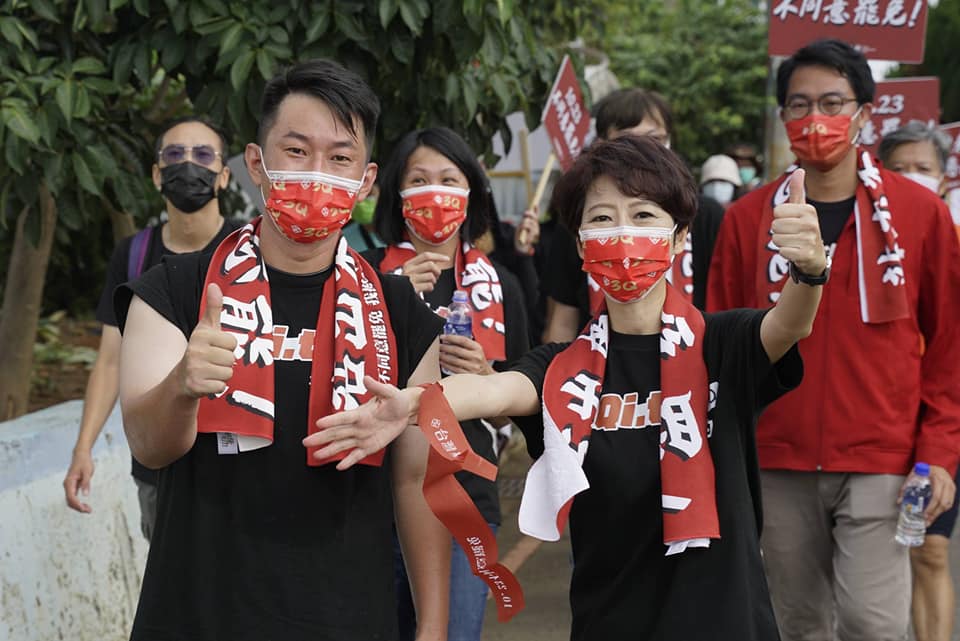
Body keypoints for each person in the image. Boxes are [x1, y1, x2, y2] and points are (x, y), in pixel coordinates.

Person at [307, 134, 827, 640]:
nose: (623, 233)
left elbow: (788, 325)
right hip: (609, 619)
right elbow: (498, 390)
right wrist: (416, 404)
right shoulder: (564, 368)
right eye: (602, 218)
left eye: (643, 215)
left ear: (679, 237)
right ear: (580, 244)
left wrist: (808, 271)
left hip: (725, 622)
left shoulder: (723, 343)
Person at [115, 59, 450, 641]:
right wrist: (182, 386)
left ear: (366, 182)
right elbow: (149, 446)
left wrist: (434, 626)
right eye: (296, 151)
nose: (317, 174)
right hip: (199, 616)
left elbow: (417, 480)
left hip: (347, 618)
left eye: (339, 158)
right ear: (256, 164)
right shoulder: (177, 290)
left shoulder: (397, 313)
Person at [707, 39, 960, 641]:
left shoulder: (919, 214)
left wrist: (941, 450)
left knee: (874, 624)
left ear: (866, 114)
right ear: (783, 118)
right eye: (799, 105)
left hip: (883, 457)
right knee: (798, 625)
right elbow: (717, 342)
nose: (815, 119)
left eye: (832, 102)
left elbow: (949, 345)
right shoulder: (748, 218)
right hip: (775, 457)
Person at [364, 126, 529, 641]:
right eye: (419, 180)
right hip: (365, 501)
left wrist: (483, 375)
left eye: (449, 179)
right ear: (395, 193)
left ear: (472, 193)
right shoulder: (361, 275)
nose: (435, 193)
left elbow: (515, 407)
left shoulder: (500, 283)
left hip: (463, 496)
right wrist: (389, 302)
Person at [62, 116, 236, 541]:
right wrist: (84, 447)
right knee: (172, 596)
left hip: (237, 461)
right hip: (160, 467)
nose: (188, 165)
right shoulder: (135, 253)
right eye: (174, 155)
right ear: (158, 175)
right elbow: (110, 360)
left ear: (225, 175)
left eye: (203, 155)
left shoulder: (249, 248)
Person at [541, 87, 724, 341]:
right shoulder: (583, 223)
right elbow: (562, 321)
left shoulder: (705, 216)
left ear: (680, 234)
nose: (643, 152)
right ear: (601, 144)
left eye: (655, 139)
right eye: (628, 141)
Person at [878, 120, 959, 641]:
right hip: (879, 418)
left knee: (929, 547)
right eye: (898, 169)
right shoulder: (859, 244)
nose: (910, 179)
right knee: (876, 554)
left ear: (944, 179)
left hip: (940, 414)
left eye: (922, 169)